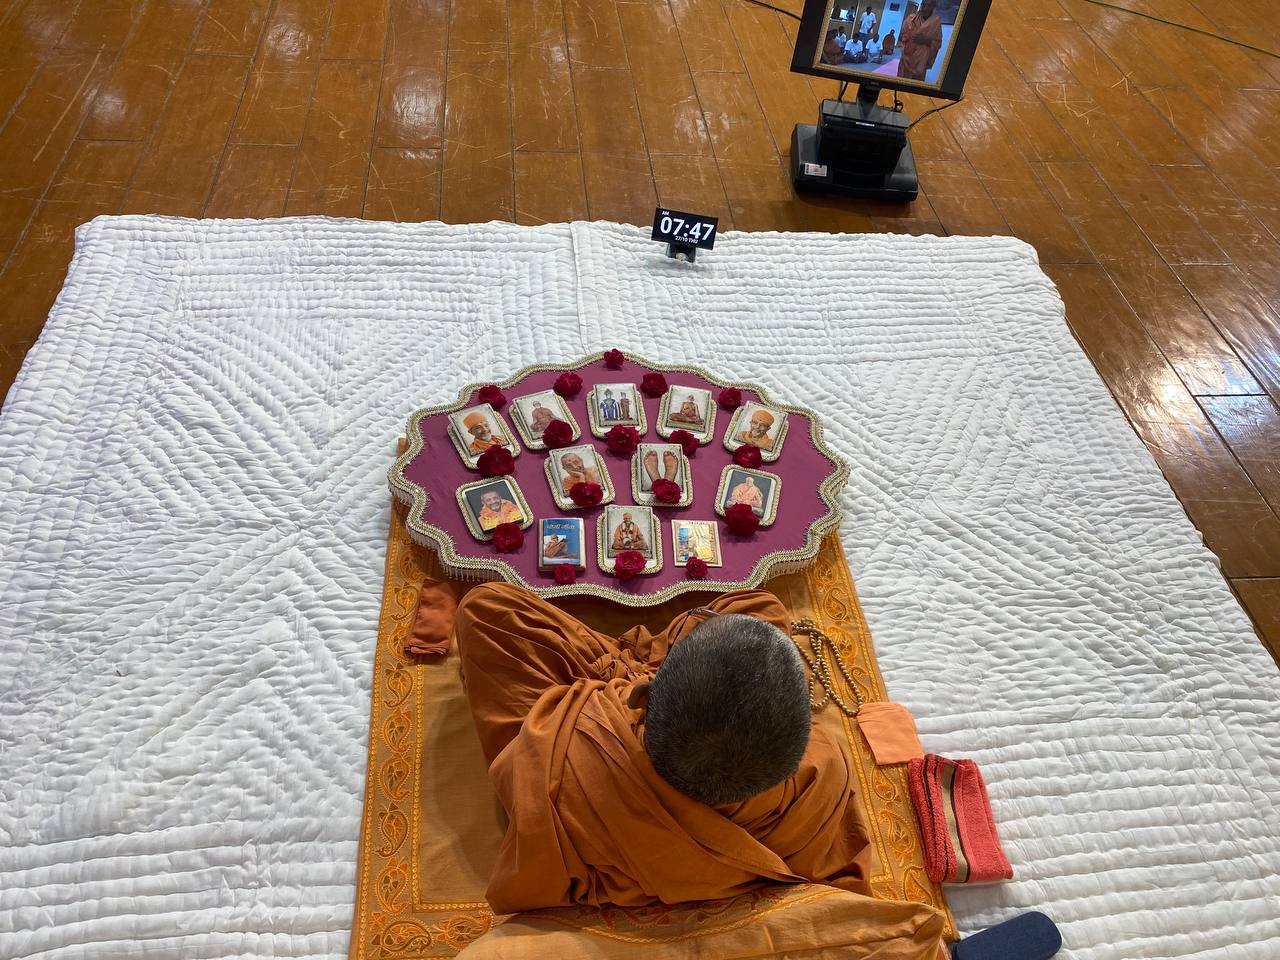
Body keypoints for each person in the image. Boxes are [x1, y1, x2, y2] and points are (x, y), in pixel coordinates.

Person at [449, 582, 947, 957]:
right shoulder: (822, 768)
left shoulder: (560, 760)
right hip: (655, 718)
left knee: (486, 608)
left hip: (615, 720)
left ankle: (658, 669)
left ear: (641, 701)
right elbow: (837, 877)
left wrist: (621, 687)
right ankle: (675, 669)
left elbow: (534, 772)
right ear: (798, 741)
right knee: (760, 609)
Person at [898, 0, 942, 81]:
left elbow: (938, 44)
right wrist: (909, 36)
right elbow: (902, 36)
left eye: (929, 5)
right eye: (923, 5)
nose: (925, 8)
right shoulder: (910, 19)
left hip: (921, 63)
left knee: (915, 85)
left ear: (933, 7)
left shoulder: (935, 23)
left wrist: (927, 41)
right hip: (906, 60)